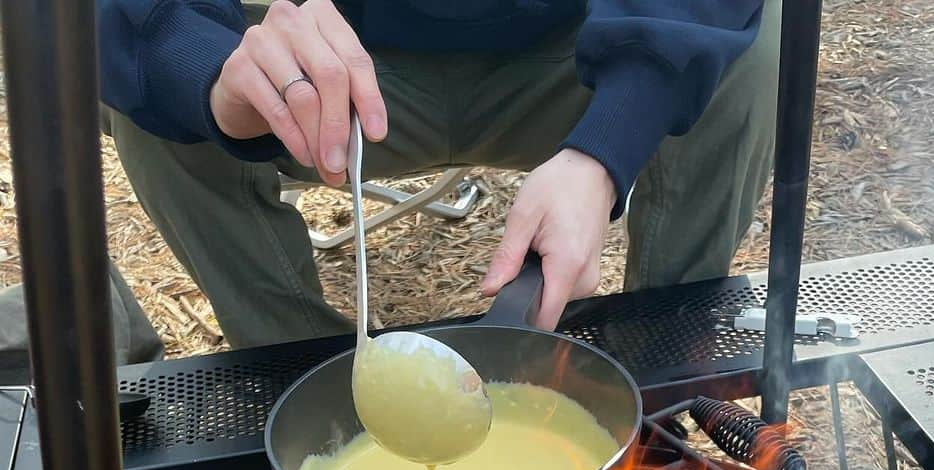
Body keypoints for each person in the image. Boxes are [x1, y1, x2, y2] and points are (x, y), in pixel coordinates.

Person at [97, 0, 780, 349]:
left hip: (571, 55)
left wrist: (605, 150)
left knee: (747, 51)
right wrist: (212, 73)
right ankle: (305, 384)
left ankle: (658, 363)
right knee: (162, 106)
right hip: (350, 62)